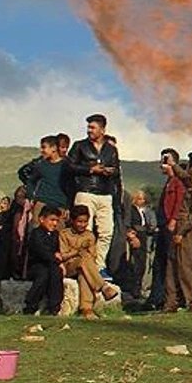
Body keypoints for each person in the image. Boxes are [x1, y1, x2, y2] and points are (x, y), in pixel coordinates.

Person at [66, 114, 121, 270]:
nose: (89, 130)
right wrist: (91, 170)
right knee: (85, 230)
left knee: (106, 232)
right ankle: (83, 264)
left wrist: (110, 172)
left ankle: (99, 266)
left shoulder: (111, 150)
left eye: (93, 127)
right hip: (85, 191)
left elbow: (117, 172)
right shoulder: (79, 146)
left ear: (102, 130)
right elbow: (69, 167)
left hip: (105, 194)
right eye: (88, 127)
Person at [59, 206, 121, 320]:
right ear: (72, 221)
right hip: (69, 266)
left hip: (85, 267)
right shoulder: (64, 234)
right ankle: (103, 287)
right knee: (84, 260)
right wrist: (77, 252)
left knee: (84, 274)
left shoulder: (89, 235)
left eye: (85, 222)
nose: (82, 225)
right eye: (79, 222)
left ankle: (86, 309)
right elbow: (63, 256)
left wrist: (84, 253)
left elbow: (93, 255)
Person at [164, 152, 192, 313]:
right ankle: (172, 301)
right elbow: (183, 175)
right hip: (185, 227)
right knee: (173, 264)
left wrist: (181, 232)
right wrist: (173, 164)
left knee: (187, 265)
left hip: (188, 229)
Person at [145, 149, 184, 311]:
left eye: (165, 161)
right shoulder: (169, 182)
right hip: (162, 226)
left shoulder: (177, 182)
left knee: (168, 262)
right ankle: (157, 297)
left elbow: (179, 201)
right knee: (159, 263)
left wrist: (173, 220)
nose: (161, 165)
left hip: (169, 225)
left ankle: (169, 297)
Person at [0, 186, 33, 290]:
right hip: (8, 244)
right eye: (17, 197)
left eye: (21, 197)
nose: (19, 200)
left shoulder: (29, 210)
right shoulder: (13, 211)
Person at [22, 206, 65, 315]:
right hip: (36, 266)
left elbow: (56, 251)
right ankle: (31, 304)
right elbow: (42, 252)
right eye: (52, 220)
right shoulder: (36, 234)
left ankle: (54, 306)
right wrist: (56, 259)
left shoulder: (55, 235)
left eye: (57, 221)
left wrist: (57, 260)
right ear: (42, 219)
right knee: (43, 274)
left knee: (56, 272)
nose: (54, 224)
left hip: (51, 264)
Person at [18, 135, 71, 213]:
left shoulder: (67, 165)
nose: (41, 150)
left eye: (44, 147)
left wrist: (68, 207)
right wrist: (32, 197)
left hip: (60, 205)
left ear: (53, 148)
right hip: (42, 203)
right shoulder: (40, 165)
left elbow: (71, 187)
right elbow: (30, 181)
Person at [124, 191, 156, 301]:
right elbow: (128, 223)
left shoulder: (143, 211)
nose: (143, 201)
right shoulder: (131, 210)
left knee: (142, 263)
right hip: (136, 235)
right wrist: (132, 236)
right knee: (136, 263)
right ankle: (134, 290)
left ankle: (138, 289)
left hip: (144, 235)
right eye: (140, 199)